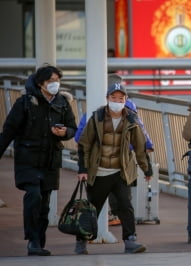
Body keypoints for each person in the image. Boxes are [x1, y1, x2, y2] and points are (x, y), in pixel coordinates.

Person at [0, 64, 77, 256]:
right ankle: (33, 241)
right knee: (33, 196)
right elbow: (9, 130)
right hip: (28, 158)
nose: (55, 84)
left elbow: (73, 128)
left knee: (45, 203)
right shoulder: (25, 103)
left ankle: (39, 241)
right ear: (40, 83)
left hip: (50, 160)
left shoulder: (62, 103)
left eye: (57, 81)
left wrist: (64, 132)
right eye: (51, 81)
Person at [76, 82, 152, 255]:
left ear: (125, 99)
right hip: (99, 172)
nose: (117, 101)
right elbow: (84, 144)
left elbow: (139, 146)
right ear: (108, 98)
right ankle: (81, 241)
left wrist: (146, 169)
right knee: (92, 208)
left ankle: (130, 240)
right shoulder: (97, 117)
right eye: (114, 97)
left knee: (126, 206)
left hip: (121, 171)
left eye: (121, 98)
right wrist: (83, 169)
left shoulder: (131, 119)